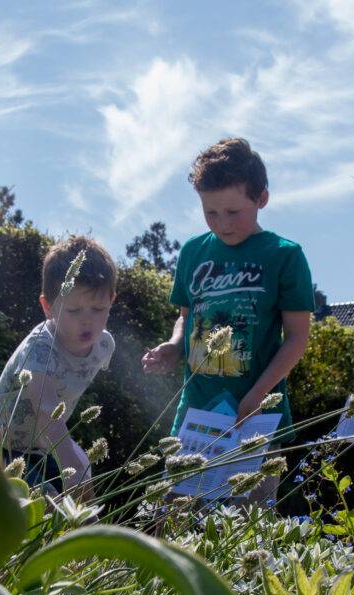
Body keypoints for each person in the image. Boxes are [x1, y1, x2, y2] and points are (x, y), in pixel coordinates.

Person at [142, 138, 315, 503]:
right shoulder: (193, 252)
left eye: (233, 212)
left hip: (256, 417)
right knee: (172, 522)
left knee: (246, 527)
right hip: (196, 416)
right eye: (211, 213)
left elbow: (297, 338)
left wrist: (256, 396)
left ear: (261, 198)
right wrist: (174, 346)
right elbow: (185, 317)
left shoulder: (285, 255)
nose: (223, 224)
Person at [0, 236, 116, 500]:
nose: (87, 321)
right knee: (46, 503)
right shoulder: (39, 350)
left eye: (98, 309)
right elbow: (47, 412)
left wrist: (79, 466)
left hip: (38, 448)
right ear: (48, 308)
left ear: (111, 300)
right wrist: (72, 464)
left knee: (81, 491)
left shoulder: (104, 345)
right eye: (74, 310)